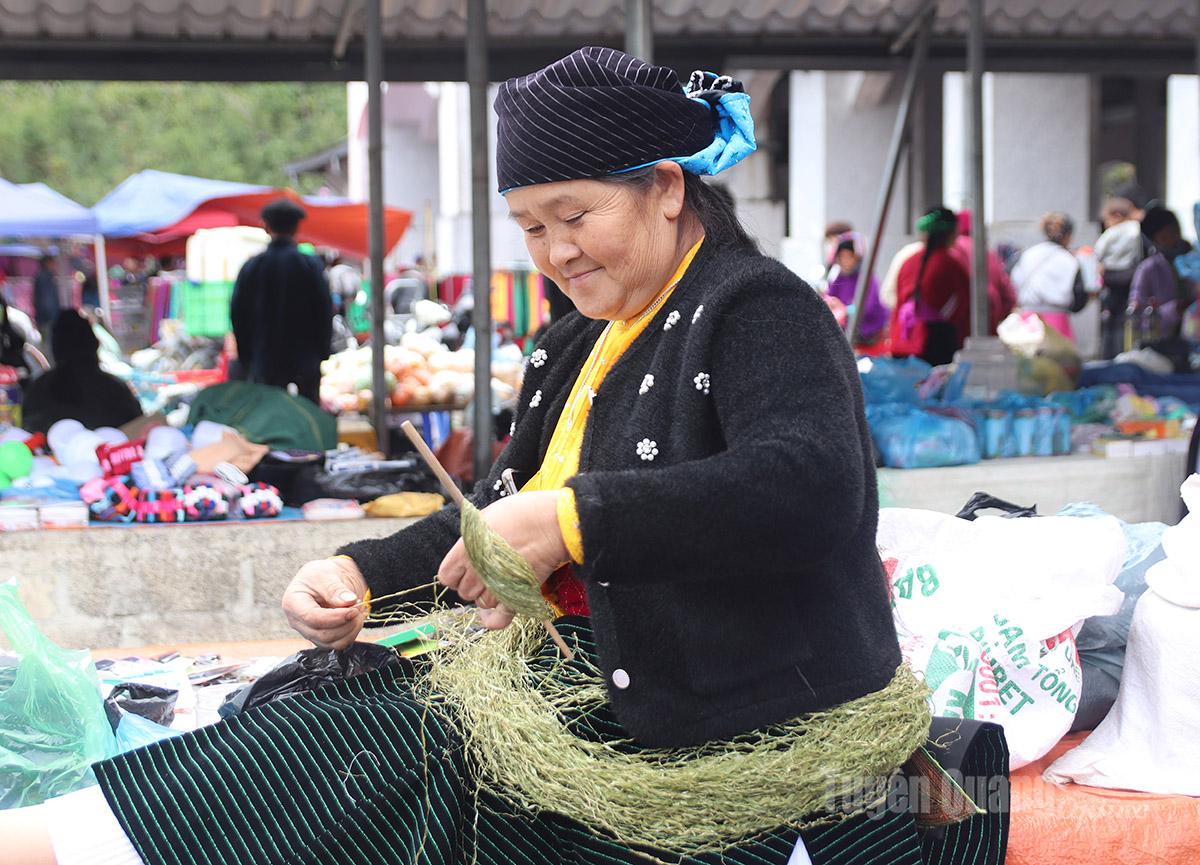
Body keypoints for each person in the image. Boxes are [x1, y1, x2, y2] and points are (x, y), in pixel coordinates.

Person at [0, 49, 1005, 865]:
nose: (555, 252)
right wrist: (359, 574)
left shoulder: (755, 307)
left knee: (384, 749)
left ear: (663, 188)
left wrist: (575, 521)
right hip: (596, 696)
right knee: (342, 710)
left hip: (733, 727)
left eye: (575, 216)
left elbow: (811, 484)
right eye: (530, 226)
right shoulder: (573, 339)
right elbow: (504, 510)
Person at [230, 199, 332, 403]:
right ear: (296, 228)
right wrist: (321, 352)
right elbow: (324, 310)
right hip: (305, 359)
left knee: (271, 416)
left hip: (265, 359)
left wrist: (247, 356)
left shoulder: (253, 267)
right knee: (307, 416)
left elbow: (238, 314)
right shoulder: (309, 265)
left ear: (266, 227)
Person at [20, 310, 142, 434]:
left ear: (55, 349)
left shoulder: (38, 390)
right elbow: (139, 429)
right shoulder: (116, 389)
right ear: (95, 344)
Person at [890, 206, 971, 366]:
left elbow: (897, 303)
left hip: (904, 341)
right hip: (937, 345)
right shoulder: (952, 264)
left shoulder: (908, 262)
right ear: (952, 233)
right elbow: (964, 309)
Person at [1011, 212, 1086, 342]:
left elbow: (1013, 281)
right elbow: (1079, 296)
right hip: (1058, 323)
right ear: (1068, 236)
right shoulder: (1070, 260)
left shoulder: (1027, 254)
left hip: (1028, 321)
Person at [1128, 204, 1195, 342]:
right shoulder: (1148, 269)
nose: (1173, 239)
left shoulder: (1194, 260)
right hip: (1162, 341)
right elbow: (1137, 315)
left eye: (1175, 232)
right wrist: (1173, 310)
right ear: (1154, 240)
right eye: (1165, 237)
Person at [948, 209, 1016, 335]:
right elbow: (1008, 295)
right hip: (988, 318)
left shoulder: (951, 249)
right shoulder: (989, 253)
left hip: (957, 323)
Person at [1094, 198, 1145, 358]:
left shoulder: (1112, 233)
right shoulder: (1136, 229)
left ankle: (1108, 355)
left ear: (1115, 215)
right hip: (1130, 276)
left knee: (1110, 320)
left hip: (1111, 277)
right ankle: (1123, 353)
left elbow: (1098, 253)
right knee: (1126, 320)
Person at [824, 232, 888, 346]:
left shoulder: (867, 278)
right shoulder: (838, 277)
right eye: (842, 257)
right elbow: (829, 300)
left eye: (849, 256)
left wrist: (844, 310)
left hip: (870, 333)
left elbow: (866, 307)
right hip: (846, 332)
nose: (845, 261)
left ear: (857, 258)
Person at [33, 254, 61, 357]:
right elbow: (47, 300)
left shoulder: (42, 276)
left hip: (44, 317)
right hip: (47, 318)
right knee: (48, 347)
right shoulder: (45, 277)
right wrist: (52, 317)